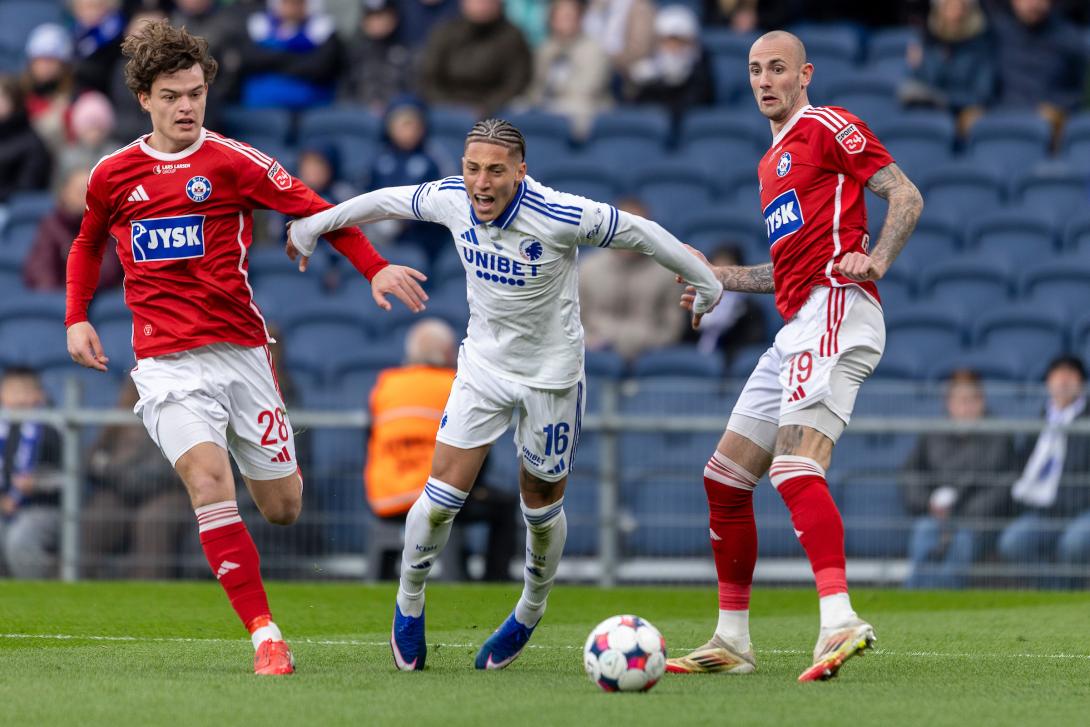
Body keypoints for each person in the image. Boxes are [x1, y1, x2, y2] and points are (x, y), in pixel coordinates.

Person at [287, 118, 723, 672]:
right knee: (440, 499)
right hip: (483, 369)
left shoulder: (560, 213)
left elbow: (641, 232)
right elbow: (383, 201)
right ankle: (408, 602)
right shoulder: (451, 198)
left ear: (520, 171)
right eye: (472, 168)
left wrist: (706, 282)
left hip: (551, 379)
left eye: (495, 170)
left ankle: (529, 610)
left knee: (539, 509)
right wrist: (314, 225)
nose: (481, 182)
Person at [64, 20, 427, 676]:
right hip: (165, 365)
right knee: (208, 480)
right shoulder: (113, 174)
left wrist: (374, 267)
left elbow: (318, 210)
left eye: (196, 93)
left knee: (282, 509)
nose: (186, 106)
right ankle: (266, 635)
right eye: (171, 96)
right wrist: (76, 317)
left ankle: (259, 457)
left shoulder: (235, 162)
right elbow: (88, 243)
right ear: (143, 98)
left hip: (242, 356)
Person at [667, 31, 923, 682]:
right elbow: (784, 275)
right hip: (797, 321)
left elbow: (905, 194)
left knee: (793, 464)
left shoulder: (827, 125)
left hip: (838, 306)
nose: (764, 80)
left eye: (777, 68)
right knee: (724, 478)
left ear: (804, 74)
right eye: (755, 70)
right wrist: (720, 276)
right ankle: (732, 640)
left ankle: (840, 618)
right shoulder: (770, 163)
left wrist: (877, 258)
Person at [365, 318, 518, 581]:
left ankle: (382, 577)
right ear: (447, 352)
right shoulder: (455, 384)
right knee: (504, 505)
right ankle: (495, 582)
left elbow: (370, 441)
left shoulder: (386, 384)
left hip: (386, 499)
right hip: (437, 497)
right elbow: (476, 450)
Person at [899, 369, 1017, 589]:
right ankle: (914, 597)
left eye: (972, 400)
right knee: (924, 531)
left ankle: (946, 600)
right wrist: (929, 503)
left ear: (982, 402)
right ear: (949, 403)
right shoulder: (933, 435)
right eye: (960, 401)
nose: (966, 408)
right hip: (935, 518)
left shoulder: (999, 436)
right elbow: (911, 476)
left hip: (979, 523)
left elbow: (1003, 486)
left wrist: (962, 513)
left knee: (962, 541)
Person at [81, 378, 193, 579]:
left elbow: (177, 468)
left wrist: (114, 471)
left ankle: (149, 590)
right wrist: (114, 472)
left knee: (154, 520)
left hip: (170, 491)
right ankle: (76, 583)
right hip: (120, 490)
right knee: (100, 515)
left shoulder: (180, 416)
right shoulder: (120, 419)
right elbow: (92, 459)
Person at [997, 355, 1090, 585]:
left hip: (1083, 509)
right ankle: (1053, 590)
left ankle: (1070, 593)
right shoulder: (1040, 421)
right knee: (1012, 542)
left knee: (1075, 543)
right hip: (1044, 511)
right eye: (1058, 374)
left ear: (1082, 383)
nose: (1064, 380)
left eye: (1071, 374)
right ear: (1048, 382)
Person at [579, 196, 687, 362]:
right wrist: (591, 342)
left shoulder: (668, 272)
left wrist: (637, 344)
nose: (629, 234)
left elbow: (673, 329)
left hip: (650, 357)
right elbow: (572, 322)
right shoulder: (588, 268)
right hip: (595, 355)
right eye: (623, 227)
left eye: (637, 227)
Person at [417, 0, 533, 117]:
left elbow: (516, 83)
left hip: (495, 109)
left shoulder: (512, 37)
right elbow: (428, 78)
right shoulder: (445, 32)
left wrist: (489, 106)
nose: (481, 5)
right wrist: (449, 105)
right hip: (446, 107)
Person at [0, 367, 63, 579]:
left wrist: (37, 483)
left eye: (25, 392)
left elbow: (70, 477)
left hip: (43, 507)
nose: (19, 399)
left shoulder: (52, 430)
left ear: (39, 395)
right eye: (12, 392)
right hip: (4, 506)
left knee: (21, 538)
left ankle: (38, 593)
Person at [900, 0, 996, 136]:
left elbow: (983, 93)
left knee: (972, 118)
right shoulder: (927, 43)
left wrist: (944, 100)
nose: (955, 13)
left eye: (961, 7)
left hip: (963, 112)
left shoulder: (982, 46)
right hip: (931, 112)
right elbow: (917, 85)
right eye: (949, 7)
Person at [24, 165, 124, 292]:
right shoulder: (51, 225)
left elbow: (110, 271)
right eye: (81, 191)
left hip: (100, 296)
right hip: (59, 298)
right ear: (64, 194)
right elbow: (41, 270)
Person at [522, 0, 613, 139]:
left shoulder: (595, 50)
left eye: (569, 17)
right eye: (559, 17)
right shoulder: (545, 49)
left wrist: (552, 100)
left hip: (585, 110)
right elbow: (537, 86)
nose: (564, 22)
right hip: (546, 108)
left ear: (580, 19)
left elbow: (587, 90)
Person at [679, 244, 767, 366]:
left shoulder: (749, 308)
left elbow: (751, 342)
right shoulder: (696, 299)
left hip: (729, 363)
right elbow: (685, 337)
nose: (720, 272)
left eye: (727, 267)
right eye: (716, 265)